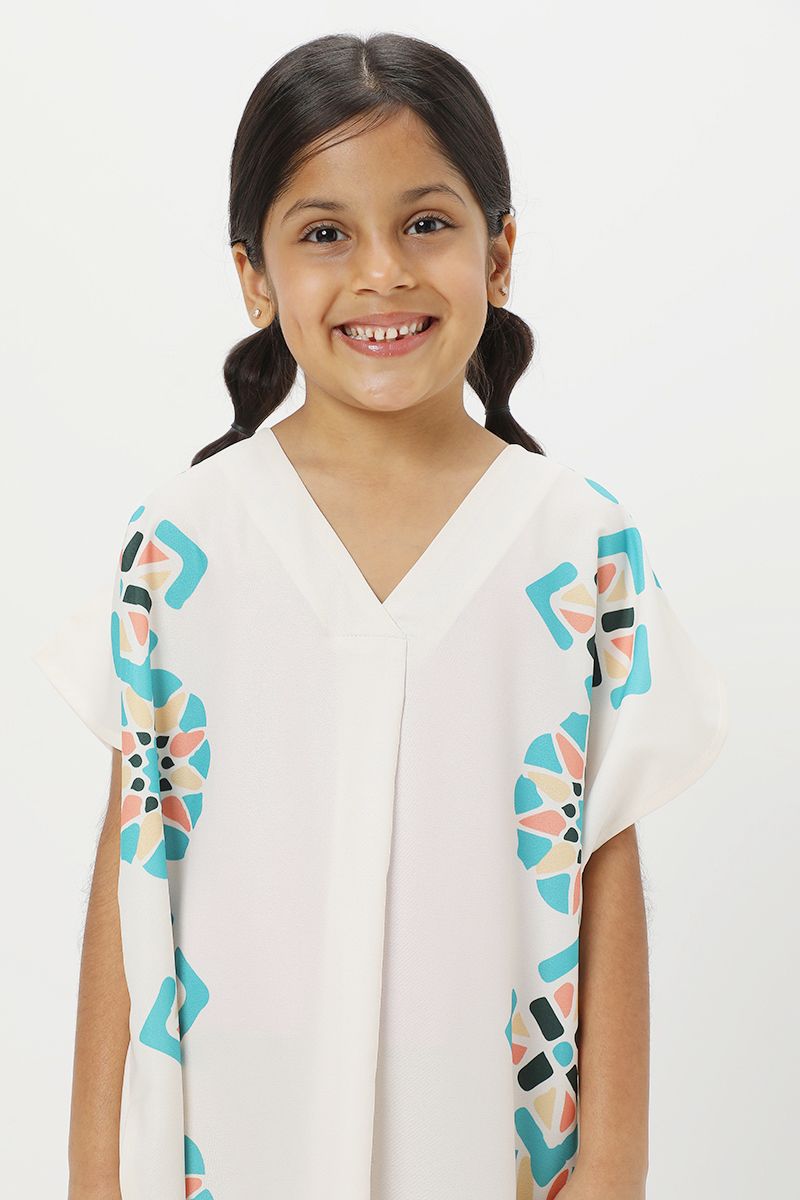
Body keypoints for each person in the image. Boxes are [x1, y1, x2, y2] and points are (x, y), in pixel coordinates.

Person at [33, 32, 728, 1200]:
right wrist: (93, 1174)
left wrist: (610, 1170)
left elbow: (599, 873)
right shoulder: (183, 544)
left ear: (497, 254)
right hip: (235, 1151)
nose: (381, 274)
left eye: (425, 224)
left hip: (485, 1152)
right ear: (254, 276)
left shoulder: (576, 549)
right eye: (323, 235)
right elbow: (131, 865)